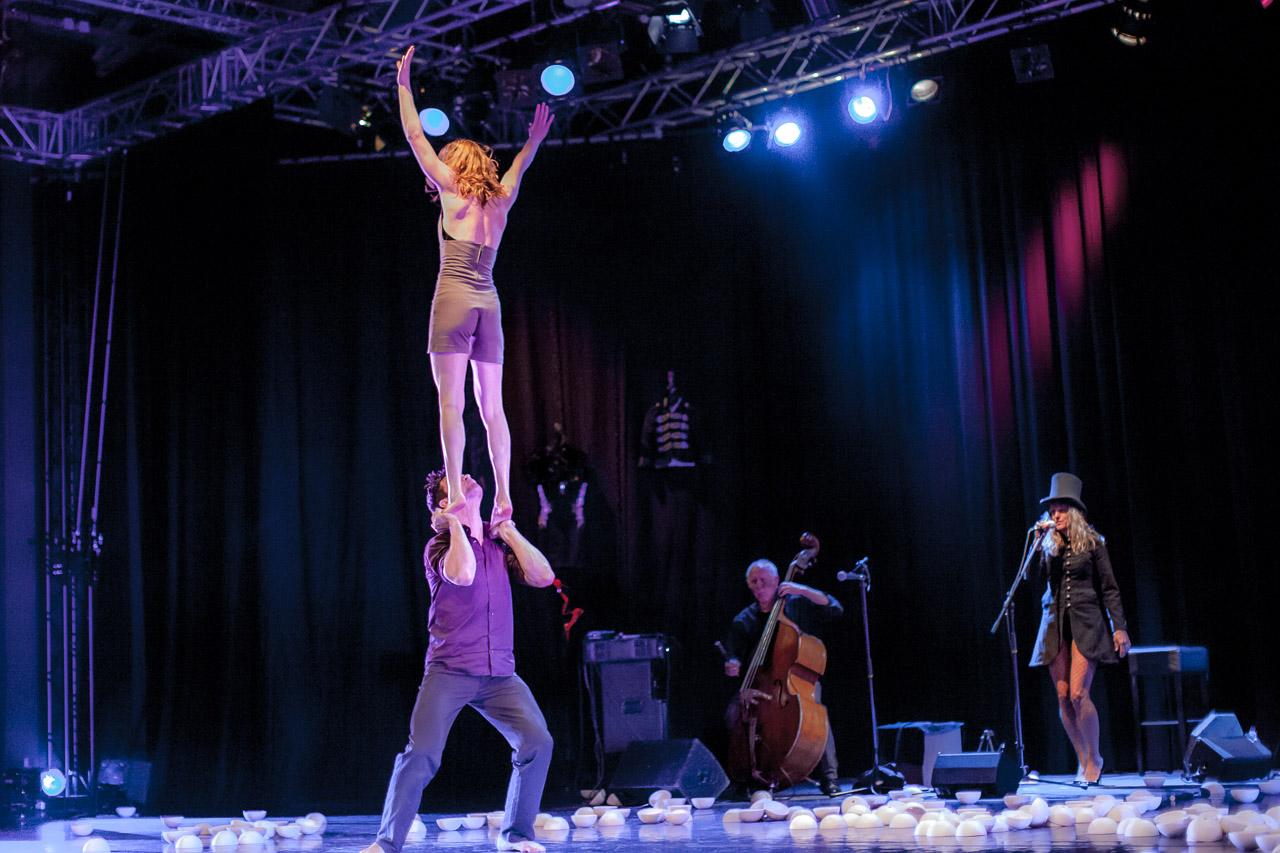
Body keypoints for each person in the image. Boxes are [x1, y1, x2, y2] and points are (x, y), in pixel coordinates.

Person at [396, 45, 555, 530]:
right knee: (493, 409)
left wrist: (402, 86)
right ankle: (503, 496)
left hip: (455, 297)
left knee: (451, 402)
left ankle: (456, 495)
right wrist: (533, 140)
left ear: (455, 164)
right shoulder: (501, 198)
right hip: (490, 302)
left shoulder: (451, 188)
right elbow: (520, 165)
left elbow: (414, 134)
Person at [361, 470, 557, 853]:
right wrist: (454, 523)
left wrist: (508, 530)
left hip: (499, 674)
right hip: (450, 670)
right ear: (443, 504)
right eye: (455, 481)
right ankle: (386, 844)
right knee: (422, 754)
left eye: (465, 474)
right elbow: (463, 573)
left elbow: (544, 576)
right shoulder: (439, 545)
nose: (465, 475)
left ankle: (516, 835)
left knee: (537, 741)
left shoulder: (498, 546)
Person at [1028, 472, 1131, 785]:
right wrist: (1036, 545)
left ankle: (1095, 757)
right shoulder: (1048, 545)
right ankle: (1082, 759)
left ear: (1073, 512)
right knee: (1062, 697)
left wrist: (1119, 627)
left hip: (1086, 621)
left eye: (1061, 510)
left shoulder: (1094, 541)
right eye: (1052, 511)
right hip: (1054, 622)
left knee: (1077, 694)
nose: (1055, 515)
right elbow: (1030, 579)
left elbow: (1110, 587)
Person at [721, 558, 843, 796]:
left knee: (816, 715)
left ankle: (830, 777)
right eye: (753, 582)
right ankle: (746, 776)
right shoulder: (744, 620)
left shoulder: (797, 604)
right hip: (758, 683)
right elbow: (734, 655)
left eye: (763, 581)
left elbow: (834, 608)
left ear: (777, 581)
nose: (758, 586)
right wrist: (732, 666)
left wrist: (802, 589)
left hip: (796, 681)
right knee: (733, 713)